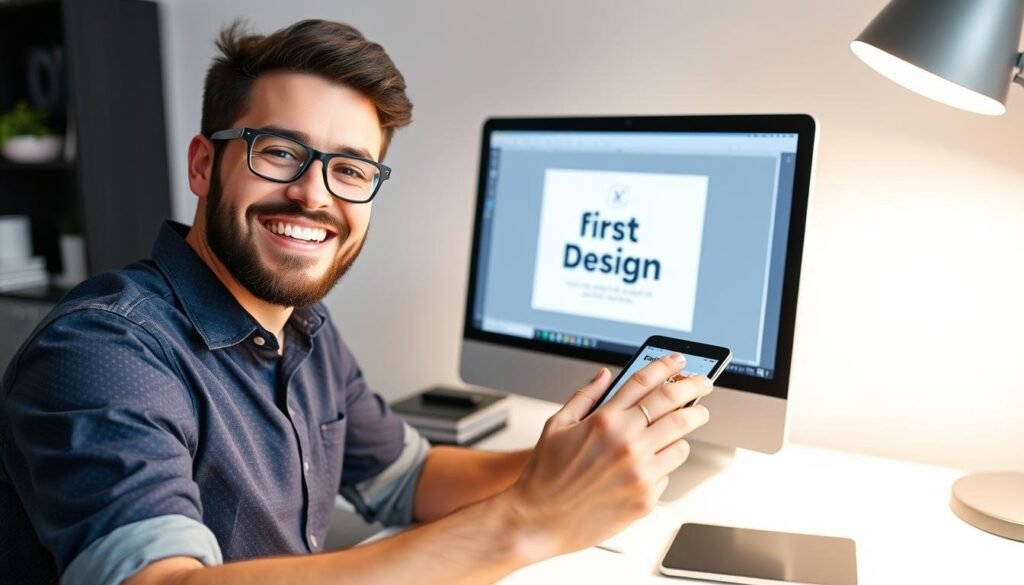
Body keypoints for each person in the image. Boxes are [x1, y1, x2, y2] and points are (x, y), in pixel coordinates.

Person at [0, 19, 713, 585]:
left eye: (349, 169)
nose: (315, 195)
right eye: (278, 152)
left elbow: (409, 477)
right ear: (203, 164)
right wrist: (530, 520)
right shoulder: (101, 349)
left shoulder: (302, 325)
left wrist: (571, 462)